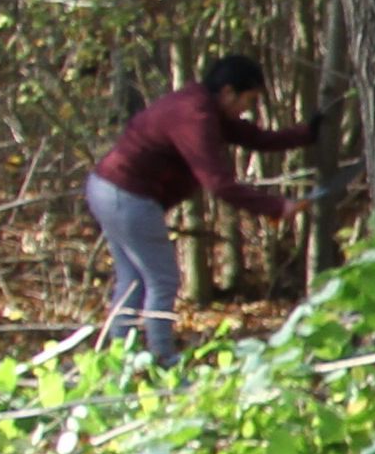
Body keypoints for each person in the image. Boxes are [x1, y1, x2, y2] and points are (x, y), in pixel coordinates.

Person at [85, 55, 324, 365]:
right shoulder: (196, 116)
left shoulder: (204, 106)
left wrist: (306, 135)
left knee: (133, 279)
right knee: (162, 280)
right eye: (248, 100)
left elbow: (252, 137)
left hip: (107, 187)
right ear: (228, 92)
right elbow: (219, 185)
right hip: (126, 196)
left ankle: (120, 358)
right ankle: (162, 360)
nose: (247, 110)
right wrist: (276, 206)